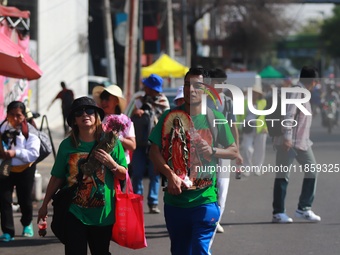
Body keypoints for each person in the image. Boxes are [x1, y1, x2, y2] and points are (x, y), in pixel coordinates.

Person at [149, 67, 239, 255]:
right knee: (180, 251)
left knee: (200, 249)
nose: (191, 90)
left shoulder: (215, 118)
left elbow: (233, 151)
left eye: (197, 86)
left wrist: (213, 150)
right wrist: (170, 175)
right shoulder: (169, 117)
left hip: (205, 199)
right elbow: (154, 150)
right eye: (188, 85)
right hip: (176, 202)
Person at [37, 97, 128, 254]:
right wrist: (44, 205)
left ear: (96, 116)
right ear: (74, 120)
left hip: (102, 214)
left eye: (89, 110)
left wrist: (111, 163)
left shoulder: (111, 142)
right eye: (79, 112)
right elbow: (57, 177)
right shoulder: (67, 145)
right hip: (74, 211)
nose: (85, 114)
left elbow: (122, 174)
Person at [272, 66, 321, 223]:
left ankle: (303, 208)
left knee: (312, 170)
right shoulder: (297, 92)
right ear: (312, 81)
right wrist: (287, 137)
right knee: (283, 176)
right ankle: (278, 212)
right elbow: (289, 114)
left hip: (302, 143)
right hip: (289, 142)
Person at [206, 68, 243, 238]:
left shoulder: (227, 101)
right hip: (204, 150)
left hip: (224, 148)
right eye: (217, 82)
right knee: (207, 183)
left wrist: (237, 150)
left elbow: (233, 125)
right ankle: (206, 217)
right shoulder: (203, 100)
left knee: (222, 185)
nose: (220, 86)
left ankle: (215, 219)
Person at [0, 101, 40, 242]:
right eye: (12, 115)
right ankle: (8, 231)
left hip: (25, 169)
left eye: (18, 115)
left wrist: (15, 153)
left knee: (25, 199)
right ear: (7, 114)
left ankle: (27, 222)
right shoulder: (2, 128)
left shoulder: (29, 130)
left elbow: (34, 153)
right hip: (6, 168)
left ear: (24, 116)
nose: (15, 118)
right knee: (4, 199)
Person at [131, 74, 170, 214]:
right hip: (140, 143)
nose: (144, 88)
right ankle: (137, 200)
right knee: (137, 173)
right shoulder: (139, 101)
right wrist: (136, 112)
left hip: (155, 145)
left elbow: (167, 122)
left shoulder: (163, 102)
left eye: (147, 86)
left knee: (155, 174)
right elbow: (128, 118)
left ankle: (153, 203)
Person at [92, 84, 136, 165]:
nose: (103, 102)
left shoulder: (126, 121)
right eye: (102, 99)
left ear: (116, 101)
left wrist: (117, 137)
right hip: (100, 164)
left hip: (120, 164)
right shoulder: (97, 119)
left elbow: (132, 146)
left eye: (107, 99)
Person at [237, 82, 268, 176]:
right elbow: (239, 116)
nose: (254, 94)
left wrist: (266, 127)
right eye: (253, 92)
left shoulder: (263, 102)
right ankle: (247, 167)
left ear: (259, 94)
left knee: (260, 149)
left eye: (256, 93)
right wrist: (238, 127)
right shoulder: (244, 102)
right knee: (246, 148)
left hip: (261, 128)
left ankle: (258, 167)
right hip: (247, 128)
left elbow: (267, 115)